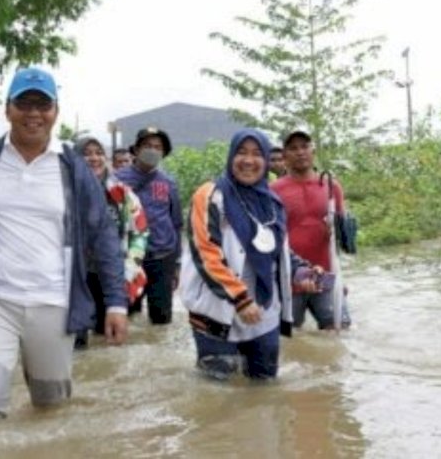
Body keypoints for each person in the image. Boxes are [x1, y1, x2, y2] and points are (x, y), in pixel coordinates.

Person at [0, 67, 127, 418]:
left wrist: (116, 302)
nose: (34, 114)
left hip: (54, 300)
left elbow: (103, 236)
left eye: (43, 105)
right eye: (24, 104)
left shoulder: (73, 167)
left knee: (50, 406)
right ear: (8, 109)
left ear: (56, 111)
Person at [180, 128, 320, 380]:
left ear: (266, 160)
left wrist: (300, 269)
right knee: (216, 394)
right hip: (216, 313)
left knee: (265, 388)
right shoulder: (210, 196)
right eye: (241, 152)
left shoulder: (272, 201)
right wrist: (241, 299)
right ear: (231, 155)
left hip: (264, 312)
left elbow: (277, 248)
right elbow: (205, 252)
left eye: (257, 154)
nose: (248, 160)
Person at [271, 130, 351, 330]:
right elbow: (269, 240)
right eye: (293, 148)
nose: (300, 152)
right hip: (288, 279)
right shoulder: (273, 191)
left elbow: (344, 239)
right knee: (288, 341)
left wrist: (340, 281)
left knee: (339, 333)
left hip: (326, 276)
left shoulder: (332, 187)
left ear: (313, 150)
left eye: (304, 147)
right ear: (285, 156)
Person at [73, 137, 148, 349]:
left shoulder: (122, 193)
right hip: (74, 276)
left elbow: (140, 232)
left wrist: (130, 268)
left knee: (106, 338)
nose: (94, 158)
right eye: (86, 153)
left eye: (98, 153)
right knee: (74, 338)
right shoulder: (63, 192)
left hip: (110, 275)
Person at [116, 127, 182, 324]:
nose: (152, 150)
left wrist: (177, 263)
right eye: (147, 146)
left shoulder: (169, 182)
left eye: (157, 147)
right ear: (135, 150)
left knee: (161, 319)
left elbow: (176, 222)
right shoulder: (118, 180)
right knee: (124, 312)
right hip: (129, 257)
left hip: (162, 256)